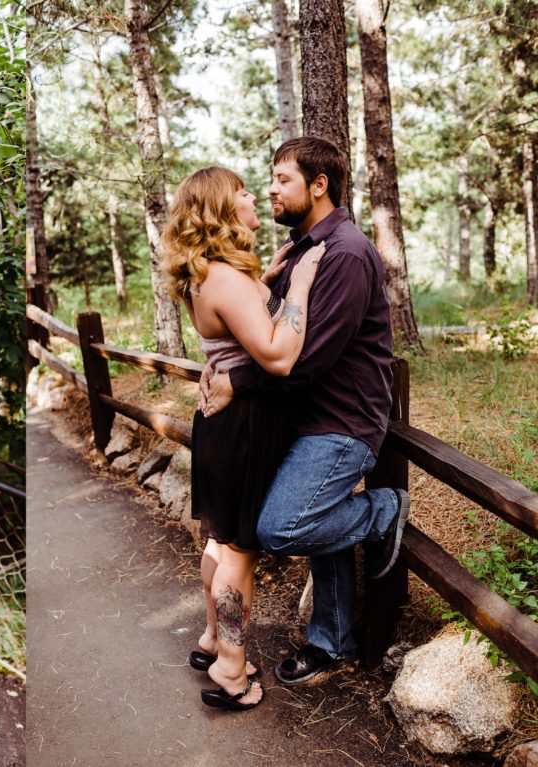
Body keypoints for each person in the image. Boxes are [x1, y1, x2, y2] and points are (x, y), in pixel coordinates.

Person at [201, 136, 411, 687]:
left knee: (282, 527)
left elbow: (308, 359)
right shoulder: (301, 248)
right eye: (267, 180)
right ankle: (331, 642)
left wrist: (233, 384)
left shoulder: (343, 252)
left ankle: (385, 510)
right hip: (304, 417)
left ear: (319, 185)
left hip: (343, 421)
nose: (270, 189)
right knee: (315, 521)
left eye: (282, 179)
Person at [161, 166, 324, 710]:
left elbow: (240, 324)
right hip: (245, 428)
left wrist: (270, 281)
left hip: (226, 425)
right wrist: (297, 288)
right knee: (238, 554)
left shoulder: (214, 272)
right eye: (243, 191)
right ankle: (232, 668)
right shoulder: (225, 278)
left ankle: (212, 638)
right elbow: (277, 354)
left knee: (219, 541)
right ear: (222, 209)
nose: (256, 196)